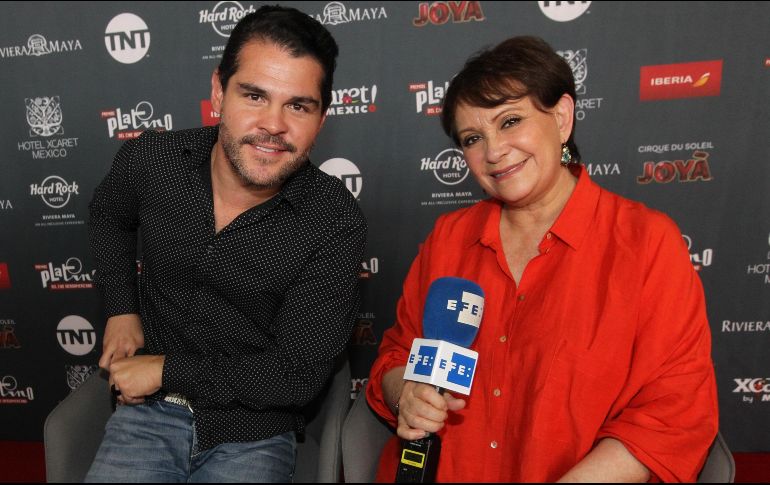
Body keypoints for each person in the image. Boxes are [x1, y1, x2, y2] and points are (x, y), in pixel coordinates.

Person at [366, 36, 718, 482]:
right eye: (474, 138)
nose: (494, 152)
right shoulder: (449, 238)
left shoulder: (647, 242)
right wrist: (406, 393)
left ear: (563, 117)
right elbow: (397, 354)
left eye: (510, 121)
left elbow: (675, 410)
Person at [85, 5, 366, 483]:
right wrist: (120, 307)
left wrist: (166, 370)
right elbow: (108, 215)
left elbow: (295, 374)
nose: (273, 124)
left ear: (321, 118)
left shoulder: (334, 221)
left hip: (254, 430)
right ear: (218, 91)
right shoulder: (154, 161)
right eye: (254, 95)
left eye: (298, 105)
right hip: (147, 415)